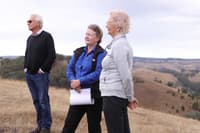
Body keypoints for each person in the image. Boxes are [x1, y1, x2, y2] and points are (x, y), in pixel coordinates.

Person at [62, 24, 106, 133]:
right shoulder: (78, 52)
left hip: (93, 96)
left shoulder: (102, 54)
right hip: (78, 93)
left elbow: (98, 73)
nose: (87, 36)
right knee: (69, 125)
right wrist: (73, 81)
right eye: (86, 34)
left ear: (98, 38)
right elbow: (70, 69)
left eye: (90, 35)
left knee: (94, 127)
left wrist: (80, 81)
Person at [99, 10, 138, 133]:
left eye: (109, 21)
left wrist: (130, 97)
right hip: (115, 95)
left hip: (113, 96)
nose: (106, 24)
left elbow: (125, 75)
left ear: (118, 26)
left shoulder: (119, 45)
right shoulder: (118, 44)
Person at [24, 14, 56, 133]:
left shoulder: (47, 36)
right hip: (30, 75)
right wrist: (25, 68)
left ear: (38, 23)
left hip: (41, 76)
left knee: (43, 101)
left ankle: (46, 127)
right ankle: (40, 126)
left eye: (30, 21)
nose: (28, 23)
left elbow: (52, 55)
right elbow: (27, 54)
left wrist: (43, 69)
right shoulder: (30, 38)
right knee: (36, 101)